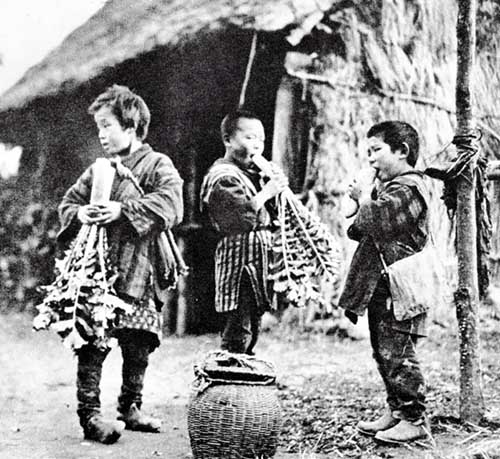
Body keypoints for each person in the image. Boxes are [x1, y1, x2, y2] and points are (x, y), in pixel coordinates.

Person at [58, 85, 183, 444]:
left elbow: (172, 204)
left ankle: (130, 406)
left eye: (107, 125)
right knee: (93, 340)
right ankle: (90, 416)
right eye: (98, 126)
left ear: (130, 127)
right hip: (99, 268)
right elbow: (68, 204)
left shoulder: (157, 165)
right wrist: (81, 213)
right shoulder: (98, 170)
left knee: (138, 340)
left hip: (140, 267)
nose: (101, 134)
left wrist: (122, 210)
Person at [338, 121, 431, 444]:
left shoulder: (409, 188)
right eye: (368, 152)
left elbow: (376, 221)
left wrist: (364, 197)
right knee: (382, 350)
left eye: (376, 150)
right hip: (382, 283)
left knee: (397, 352)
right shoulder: (388, 188)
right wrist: (364, 197)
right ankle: (396, 410)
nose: (370, 159)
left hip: (399, 286)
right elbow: (357, 228)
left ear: (402, 151)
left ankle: (414, 418)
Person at [200, 109, 287, 354]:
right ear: (228, 140)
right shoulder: (223, 176)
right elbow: (236, 218)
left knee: (253, 320)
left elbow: (271, 215)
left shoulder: (251, 175)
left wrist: (275, 190)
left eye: (261, 140)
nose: (257, 145)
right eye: (249, 138)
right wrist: (266, 193)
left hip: (257, 261)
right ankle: (231, 367)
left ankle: (244, 364)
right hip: (239, 263)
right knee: (239, 323)